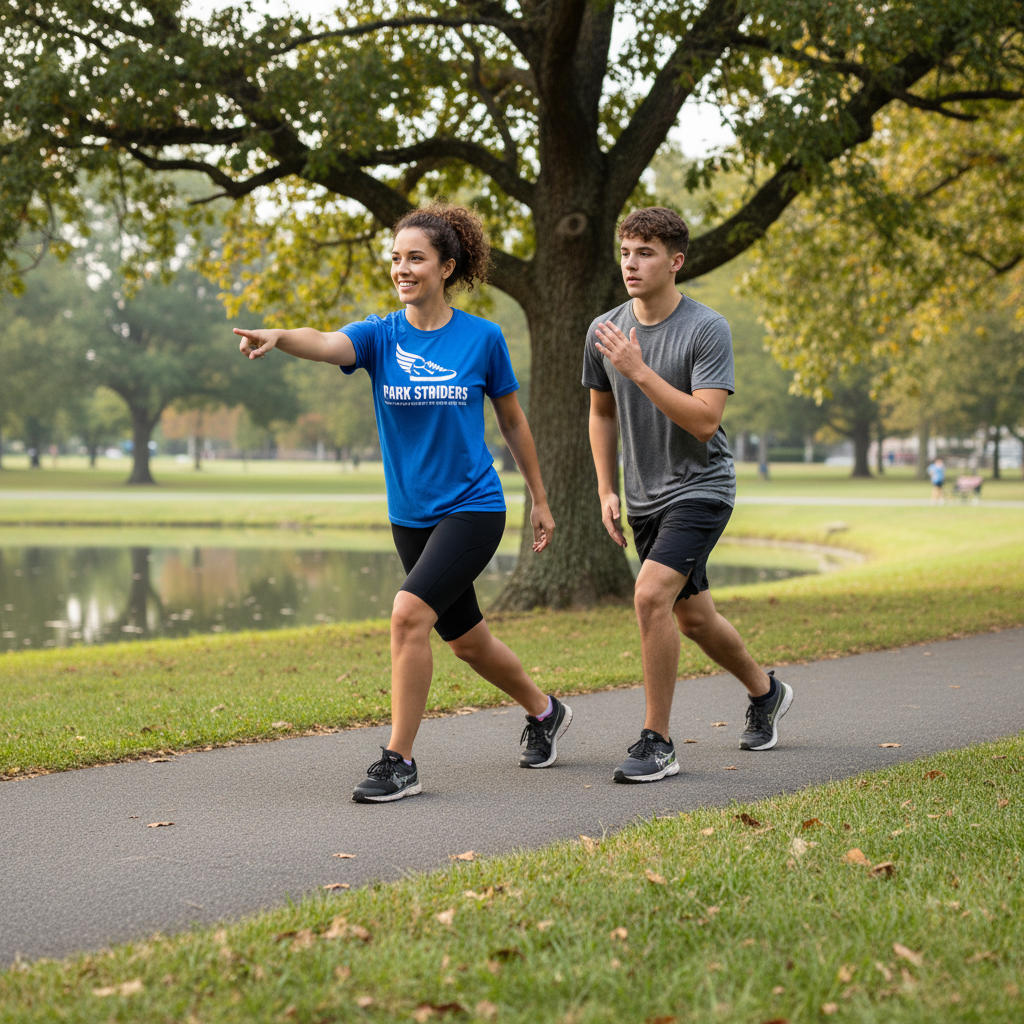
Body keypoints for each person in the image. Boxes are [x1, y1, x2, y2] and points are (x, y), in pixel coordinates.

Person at [235, 203, 571, 803]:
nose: (402, 268)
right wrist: (281, 336)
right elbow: (328, 341)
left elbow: (514, 423)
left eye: (415, 258)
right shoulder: (380, 334)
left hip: (472, 506)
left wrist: (539, 499)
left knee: (408, 614)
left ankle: (400, 760)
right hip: (410, 515)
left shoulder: (482, 339)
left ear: (446, 266)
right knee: (466, 640)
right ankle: (545, 713)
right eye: (396, 258)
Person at [583, 207, 793, 784]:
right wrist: (605, 485)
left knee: (650, 597)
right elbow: (601, 412)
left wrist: (640, 369)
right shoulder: (604, 328)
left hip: (702, 486)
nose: (631, 263)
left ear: (675, 262)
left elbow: (705, 421)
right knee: (695, 618)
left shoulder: (706, 327)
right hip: (644, 495)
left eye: (645, 252)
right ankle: (766, 692)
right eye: (626, 251)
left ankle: (658, 742)